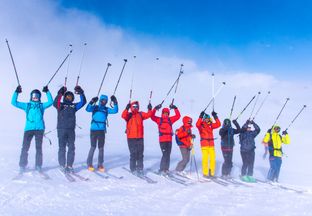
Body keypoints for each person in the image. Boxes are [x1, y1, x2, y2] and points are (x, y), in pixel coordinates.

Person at [11, 85, 53, 172]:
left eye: (37, 96)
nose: (35, 97)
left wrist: (47, 92)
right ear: (31, 96)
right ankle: (22, 166)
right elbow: (14, 102)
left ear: (39, 97)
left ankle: (38, 166)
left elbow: (50, 102)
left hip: (39, 129)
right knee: (25, 148)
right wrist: (16, 92)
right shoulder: (27, 105)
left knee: (39, 148)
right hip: (28, 129)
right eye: (34, 96)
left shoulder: (41, 106)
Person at [53, 85, 86, 173]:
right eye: (67, 96)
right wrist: (60, 93)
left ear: (72, 98)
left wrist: (81, 92)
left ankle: (70, 165)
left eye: (71, 96)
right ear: (65, 97)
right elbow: (55, 103)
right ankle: (62, 165)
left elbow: (83, 102)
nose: (69, 97)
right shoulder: (60, 105)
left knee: (71, 148)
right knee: (62, 148)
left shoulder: (74, 106)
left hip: (71, 130)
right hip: (61, 129)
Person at [85, 94, 118, 172]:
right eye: (102, 100)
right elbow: (87, 109)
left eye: (105, 101)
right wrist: (92, 101)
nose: (104, 102)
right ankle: (89, 163)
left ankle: (100, 164)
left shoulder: (106, 109)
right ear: (100, 100)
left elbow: (115, 111)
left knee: (101, 148)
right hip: (93, 130)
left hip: (102, 130)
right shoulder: (95, 107)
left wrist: (115, 102)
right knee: (93, 147)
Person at [121, 101, 152, 175]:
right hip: (131, 138)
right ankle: (133, 168)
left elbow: (148, 115)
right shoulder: (129, 115)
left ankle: (140, 168)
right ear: (131, 107)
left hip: (140, 137)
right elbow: (123, 116)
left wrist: (150, 109)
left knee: (140, 154)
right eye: (134, 106)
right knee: (133, 153)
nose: (135, 108)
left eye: (136, 106)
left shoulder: (140, 114)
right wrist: (126, 108)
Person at [151, 103, 181, 174]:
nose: (165, 114)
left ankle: (166, 169)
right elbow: (152, 116)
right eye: (164, 113)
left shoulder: (170, 120)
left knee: (168, 154)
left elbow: (178, 116)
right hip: (162, 140)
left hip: (169, 140)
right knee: (165, 154)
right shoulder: (159, 120)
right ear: (162, 113)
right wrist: (155, 109)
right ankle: (162, 169)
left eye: (167, 113)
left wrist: (175, 108)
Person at [196, 110, 221, 178]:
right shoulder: (201, 126)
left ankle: (212, 173)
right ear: (204, 119)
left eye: (208, 118)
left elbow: (219, 124)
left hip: (211, 145)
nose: (207, 120)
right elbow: (197, 124)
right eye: (205, 119)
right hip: (204, 145)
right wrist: (200, 116)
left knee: (213, 159)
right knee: (205, 159)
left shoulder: (211, 125)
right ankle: (205, 173)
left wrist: (215, 116)